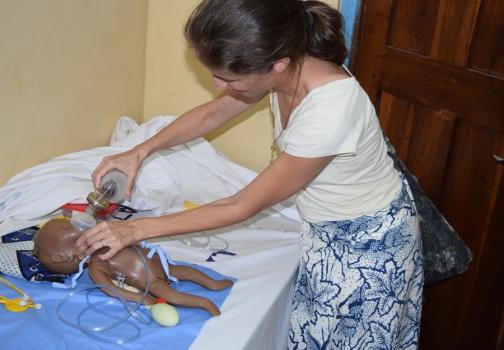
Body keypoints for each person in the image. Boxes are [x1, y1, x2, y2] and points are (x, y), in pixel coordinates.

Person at [77, 0, 423, 348]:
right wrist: (138, 151)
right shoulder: (285, 70)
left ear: (277, 65)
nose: (218, 86)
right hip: (324, 231)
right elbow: (211, 115)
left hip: (368, 247)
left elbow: (240, 205)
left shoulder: (330, 108)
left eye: (228, 79)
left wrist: (132, 229)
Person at [34, 217, 233, 316]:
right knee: (172, 296)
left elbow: (128, 237)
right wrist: (143, 297)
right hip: (150, 281)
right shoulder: (97, 265)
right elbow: (112, 289)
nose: (78, 225)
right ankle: (205, 304)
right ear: (62, 256)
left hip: (162, 265)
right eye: (67, 228)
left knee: (188, 272)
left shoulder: (103, 240)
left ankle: (213, 284)